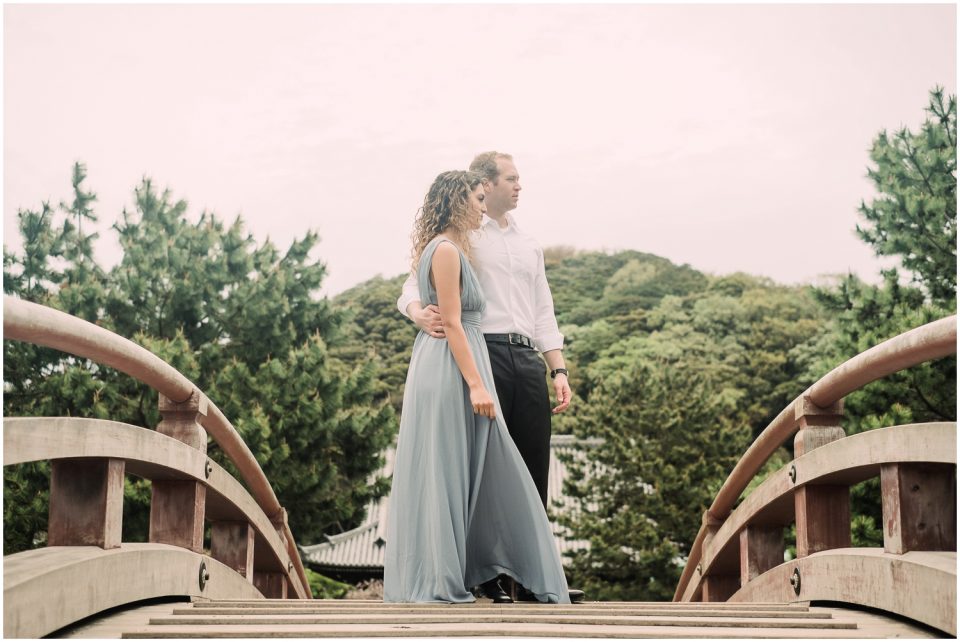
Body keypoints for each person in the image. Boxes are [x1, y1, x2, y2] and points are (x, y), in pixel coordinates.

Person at [397, 152, 582, 604]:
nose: (520, 186)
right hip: (481, 353)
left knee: (531, 464)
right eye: (512, 178)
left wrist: (556, 367)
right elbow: (411, 289)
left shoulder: (528, 243)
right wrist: (419, 314)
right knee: (486, 464)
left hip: (525, 358)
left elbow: (543, 310)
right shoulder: (461, 239)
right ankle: (488, 573)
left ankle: (530, 574)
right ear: (486, 184)